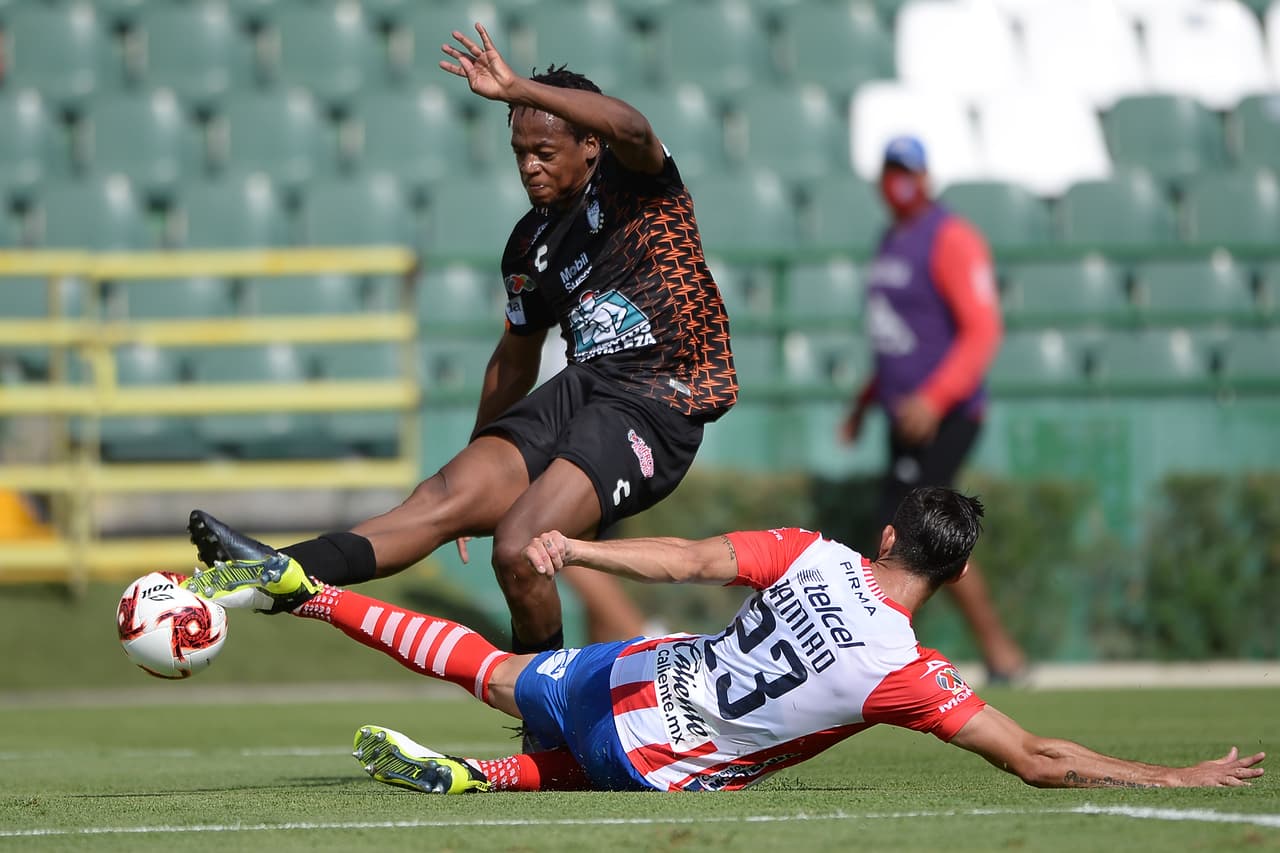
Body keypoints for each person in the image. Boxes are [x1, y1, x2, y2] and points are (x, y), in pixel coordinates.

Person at [186, 23, 737, 655]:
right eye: (520, 152)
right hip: (586, 388)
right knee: (440, 500)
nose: (529, 165)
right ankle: (272, 570)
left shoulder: (636, 184)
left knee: (520, 546)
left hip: (657, 399)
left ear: (590, 145)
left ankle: (549, 727)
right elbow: (514, 356)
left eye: (545, 151)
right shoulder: (530, 243)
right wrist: (487, 462)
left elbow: (634, 128)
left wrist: (517, 87)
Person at [180, 488, 1265, 794]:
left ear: (885, 535)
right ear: (951, 575)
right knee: (594, 766)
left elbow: (691, 558)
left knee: (490, 669)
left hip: (632, 671)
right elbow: (1035, 760)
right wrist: (1173, 772)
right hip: (656, 756)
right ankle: (487, 778)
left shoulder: (812, 552)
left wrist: (578, 550)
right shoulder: (908, 672)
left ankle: (302, 589)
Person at [840, 135, 1026, 683]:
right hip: (904, 417)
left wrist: (934, 397)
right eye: (890, 169)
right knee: (899, 533)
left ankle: (993, 652)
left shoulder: (951, 238)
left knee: (919, 536)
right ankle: (976, 653)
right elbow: (897, 339)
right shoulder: (890, 240)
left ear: (926, 177)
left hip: (945, 415)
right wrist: (864, 403)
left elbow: (982, 329)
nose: (898, 181)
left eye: (908, 170)